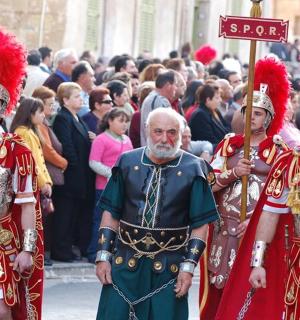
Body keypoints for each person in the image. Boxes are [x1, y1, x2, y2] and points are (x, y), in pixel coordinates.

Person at [95, 107, 219, 320]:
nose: (164, 138)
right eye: (158, 131)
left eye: (172, 132)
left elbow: (200, 225)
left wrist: (188, 268)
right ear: (147, 130)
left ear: (181, 135)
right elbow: (111, 213)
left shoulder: (195, 168)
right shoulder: (127, 162)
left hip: (169, 270)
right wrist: (103, 256)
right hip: (124, 263)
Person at [200, 56, 290, 319]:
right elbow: (209, 186)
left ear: (269, 117)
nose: (251, 117)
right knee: (218, 292)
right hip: (223, 231)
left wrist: (254, 220)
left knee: (247, 296)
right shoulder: (229, 145)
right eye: (247, 111)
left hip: (255, 233)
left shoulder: (279, 153)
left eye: (258, 113)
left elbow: (279, 201)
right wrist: (232, 173)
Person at [0, 27, 44, 320]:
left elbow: (26, 203)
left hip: (3, 239)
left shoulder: (16, 151)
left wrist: (27, 249)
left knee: (4, 310)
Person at [52, 82, 95, 262]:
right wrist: (75, 168)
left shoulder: (77, 117)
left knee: (72, 215)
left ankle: (67, 248)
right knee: (65, 214)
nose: (80, 99)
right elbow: (67, 146)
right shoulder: (63, 118)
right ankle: (60, 250)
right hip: (71, 175)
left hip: (80, 174)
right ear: (65, 100)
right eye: (76, 96)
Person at [87, 108, 133, 263]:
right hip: (104, 187)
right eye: (121, 121)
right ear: (110, 121)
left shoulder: (127, 140)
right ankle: (95, 251)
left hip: (123, 188)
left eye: (126, 121)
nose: (124, 124)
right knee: (100, 220)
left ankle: (115, 250)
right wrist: (112, 174)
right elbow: (93, 162)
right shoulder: (101, 139)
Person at [32, 86, 68, 266]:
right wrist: (64, 162)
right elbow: (46, 150)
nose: (53, 107)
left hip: (48, 175)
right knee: (44, 217)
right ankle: (42, 252)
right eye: (49, 104)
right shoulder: (38, 125)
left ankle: (44, 251)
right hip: (45, 175)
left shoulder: (44, 123)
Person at [189, 82, 230, 150]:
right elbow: (209, 140)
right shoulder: (200, 115)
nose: (220, 100)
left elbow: (227, 128)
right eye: (217, 98)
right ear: (208, 100)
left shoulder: (215, 111)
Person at [140, 70, 177, 146]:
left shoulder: (152, 98)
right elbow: (170, 128)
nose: (176, 88)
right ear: (168, 85)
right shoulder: (160, 100)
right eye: (175, 85)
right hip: (158, 150)